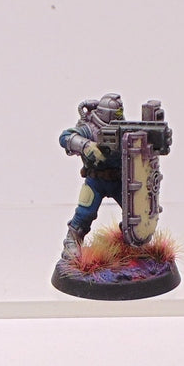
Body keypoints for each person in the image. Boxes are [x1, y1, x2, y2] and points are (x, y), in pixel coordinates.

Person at [58, 93, 127, 257]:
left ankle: (132, 238)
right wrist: (86, 145)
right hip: (95, 180)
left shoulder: (124, 129)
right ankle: (72, 241)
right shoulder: (89, 129)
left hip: (120, 180)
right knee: (85, 212)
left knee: (134, 211)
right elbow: (65, 137)